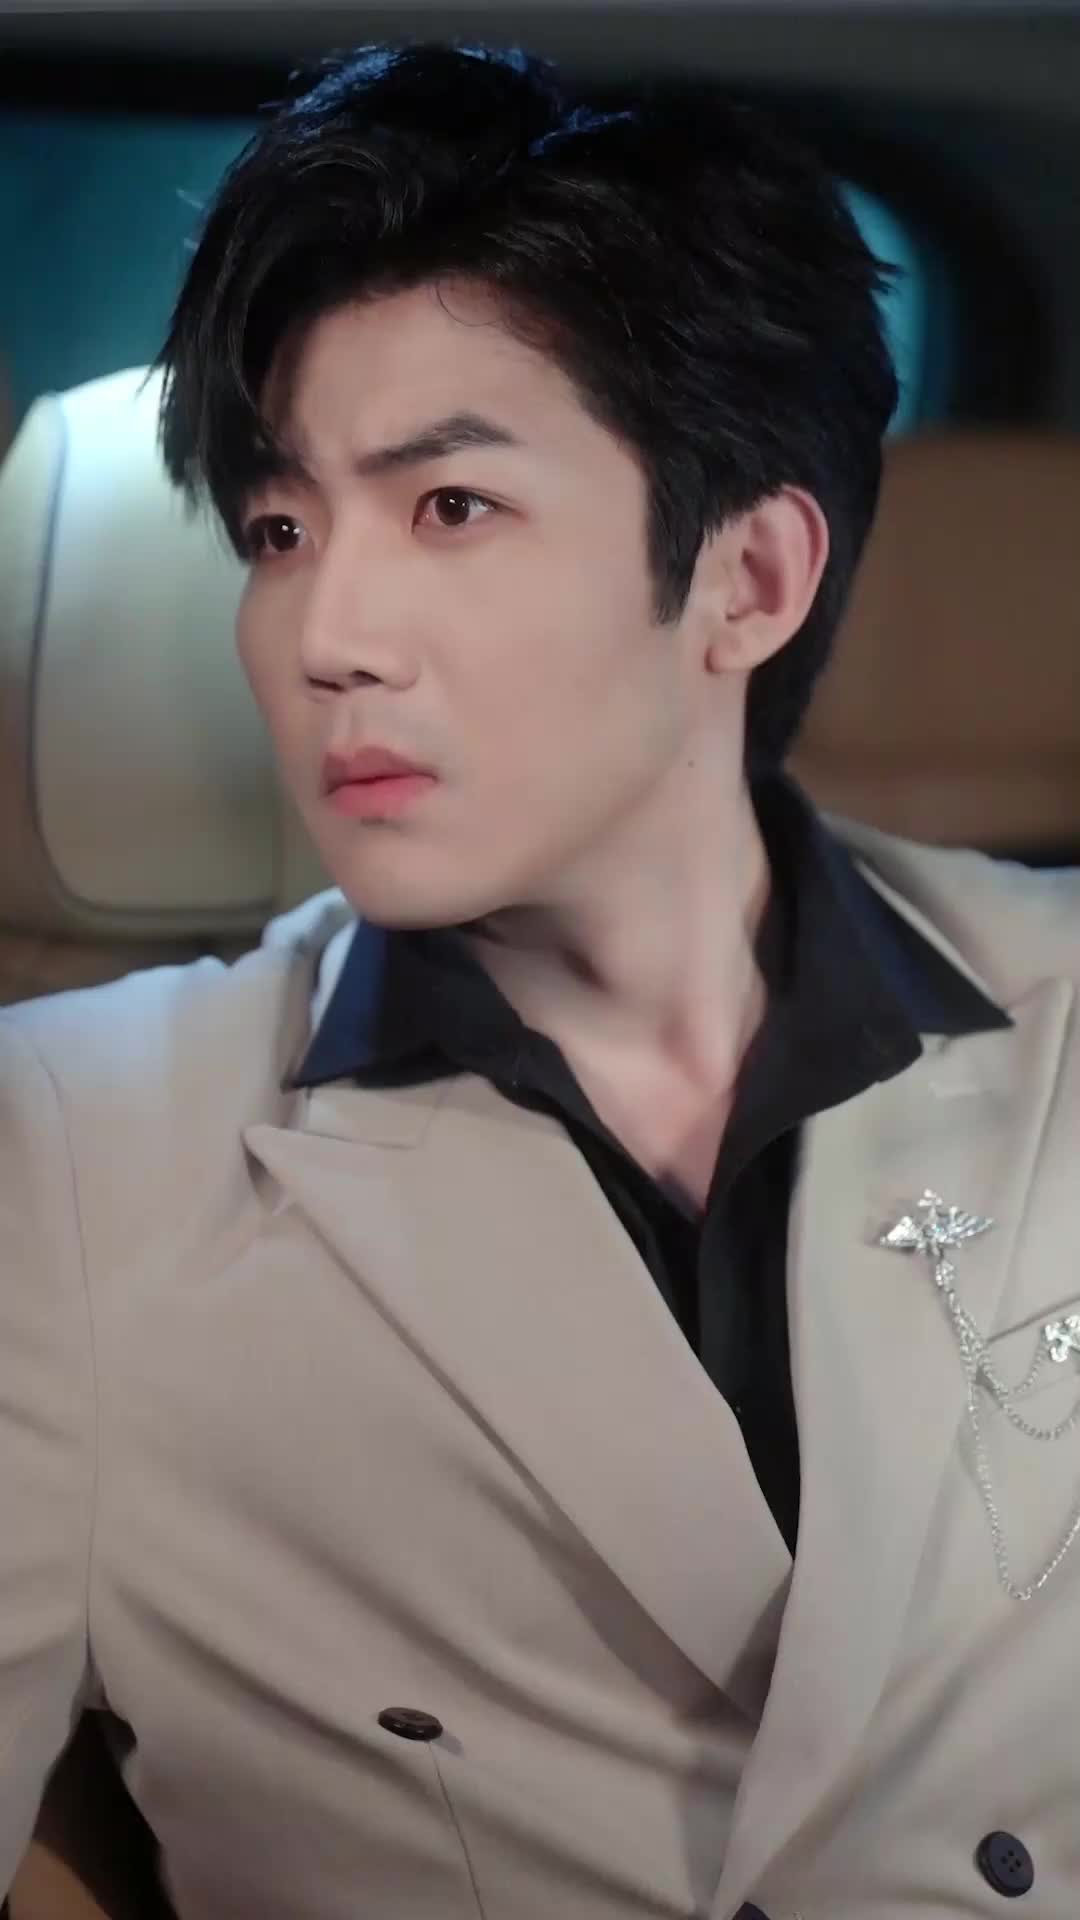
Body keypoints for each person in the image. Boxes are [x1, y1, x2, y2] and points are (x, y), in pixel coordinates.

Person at [2, 41, 1078, 1920]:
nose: (325, 635)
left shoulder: (1063, 1011)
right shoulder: (73, 1153)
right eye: (278, 532)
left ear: (748, 580)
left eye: (450, 507)